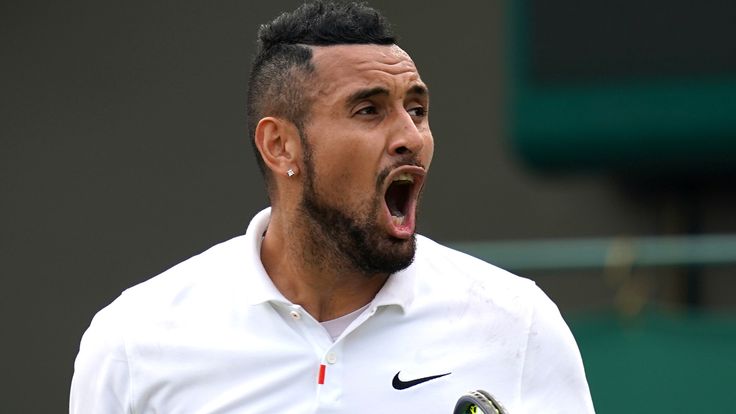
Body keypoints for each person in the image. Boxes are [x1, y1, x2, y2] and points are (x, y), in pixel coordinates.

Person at [70, 1, 595, 412]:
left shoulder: (517, 323)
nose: (411, 136)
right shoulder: (133, 341)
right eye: (369, 110)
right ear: (281, 146)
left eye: (417, 109)